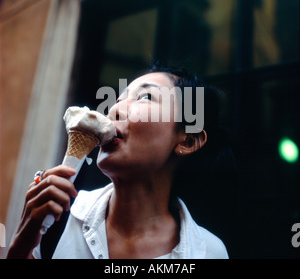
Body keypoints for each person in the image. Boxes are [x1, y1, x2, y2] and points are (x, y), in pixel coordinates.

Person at [7, 66, 231, 259]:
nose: (113, 110)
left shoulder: (208, 253)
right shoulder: (60, 218)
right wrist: (22, 243)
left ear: (188, 140)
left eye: (145, 97)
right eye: (118, 100)